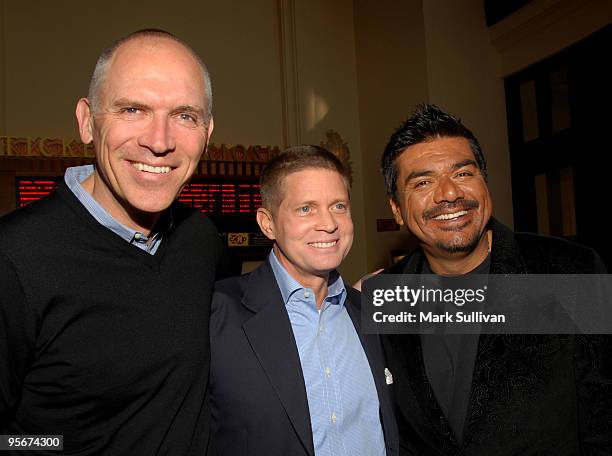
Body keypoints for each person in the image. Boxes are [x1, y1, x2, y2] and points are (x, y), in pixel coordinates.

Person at [0, 29, 226, 454]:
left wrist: (351, 300)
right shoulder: (14, 260)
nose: (159, 141)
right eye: (133, 109)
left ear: (207, 132)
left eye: (184, 116)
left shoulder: (201, 238)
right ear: (87, 121)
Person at [380, 104, 611, 455]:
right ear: (397, 209)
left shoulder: (568, 271)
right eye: (423, 182)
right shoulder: (387, 297)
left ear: (484, 183)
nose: (449, 194)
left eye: (463, 174)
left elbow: (604, 416)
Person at [210, 145, 398, 456]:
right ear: (267, 223)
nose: (329, 223)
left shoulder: (370, 312)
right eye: (306, 209)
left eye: (339, 206)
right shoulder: (218, 314)